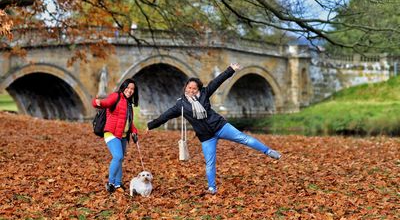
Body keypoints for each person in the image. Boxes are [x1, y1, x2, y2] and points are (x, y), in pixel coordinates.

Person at [146, 63, 281, 195]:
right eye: (189, 87)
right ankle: (212, 188)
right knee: (210, 163)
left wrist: (230, 69)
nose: (191, 90)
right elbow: (165, 116)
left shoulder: (205, 93)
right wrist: (150, 125)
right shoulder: (180, 105)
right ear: (185, 87)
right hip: (206, 137)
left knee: (243, 138)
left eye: (194, 88)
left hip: (220, 126)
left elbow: (217, 81)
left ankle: (268, 151)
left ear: (198, 89)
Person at [92, 78, 139, 193]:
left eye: (132, 89)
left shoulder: (129, 104)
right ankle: (111, 183)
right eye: (128, 88)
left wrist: (134, 131)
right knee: (117, 157)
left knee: (120, 159)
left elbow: (128, 120)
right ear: (123, 87)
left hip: (123, 136)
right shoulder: (116, 96)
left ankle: (118, 184)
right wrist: (97, 102)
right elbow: (105, 103)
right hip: (111, 133)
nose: (130, 90)